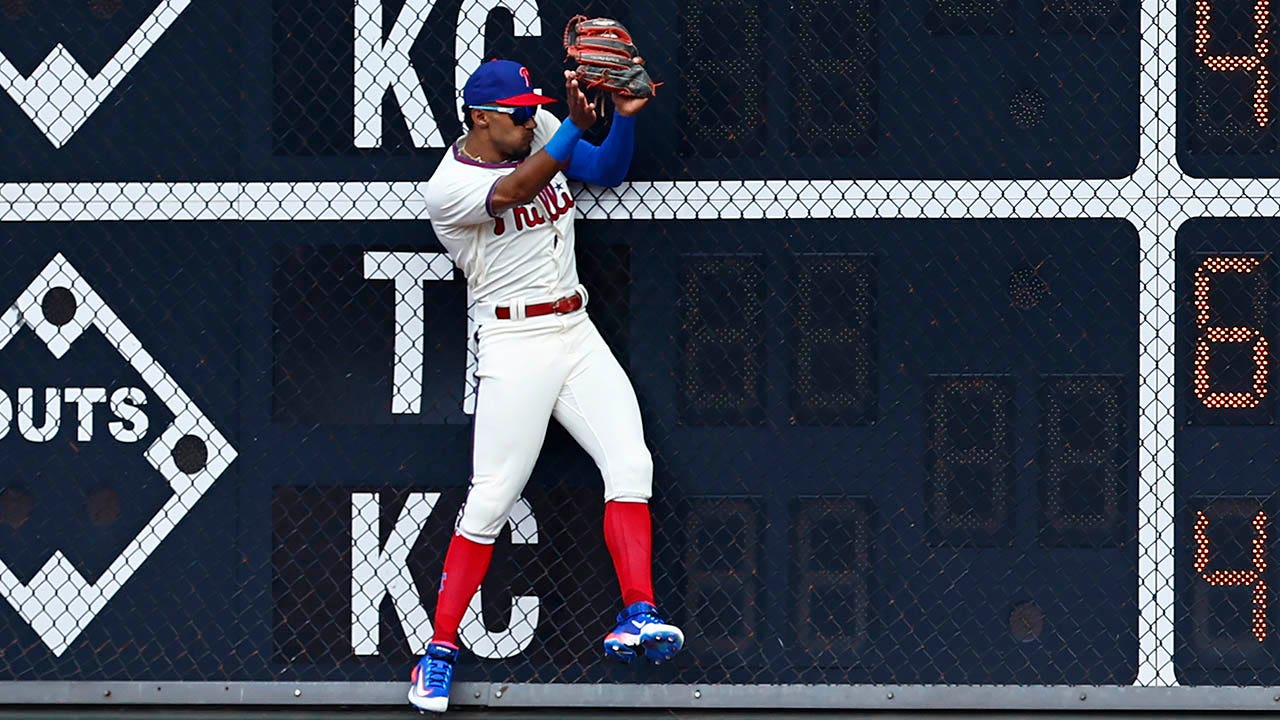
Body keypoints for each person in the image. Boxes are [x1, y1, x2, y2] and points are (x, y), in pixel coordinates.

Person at [407, 59, 684, 714]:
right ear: (479, 117)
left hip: (574, 327)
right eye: (518, 111)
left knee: (630, 461)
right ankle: (439, 651)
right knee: (492, 498)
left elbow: (604, 171)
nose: (531, 118)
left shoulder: (538, 133)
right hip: (514, 344)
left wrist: (619, 123)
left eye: (536, 107)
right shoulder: (448, 186)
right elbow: (517, 191)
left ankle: (638, 613)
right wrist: (567, 133)